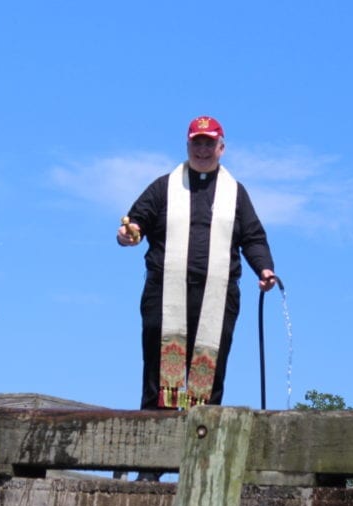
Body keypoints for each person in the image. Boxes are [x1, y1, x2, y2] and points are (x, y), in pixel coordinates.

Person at [117, 116, 277, 411]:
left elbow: (253, 237)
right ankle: (155, 434)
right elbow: (135, 222)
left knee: (210, 368)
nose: (202, 149)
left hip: (217, 295)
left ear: (221, 148)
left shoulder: (236, 194)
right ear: (188, 145)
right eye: (197, 143)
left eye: (209, 143)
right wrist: (129, 234)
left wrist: (264, 269)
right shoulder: (164, 187)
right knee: (158, 368)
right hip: (165, 293)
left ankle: (203, 437)